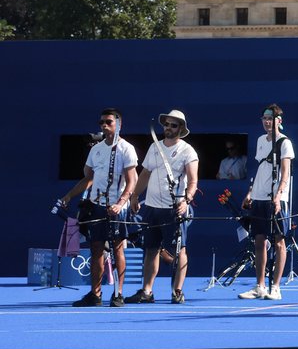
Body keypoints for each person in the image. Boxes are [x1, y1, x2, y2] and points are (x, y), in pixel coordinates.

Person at [57, 108, 140, 307]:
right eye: (101, 122)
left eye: (109, 122)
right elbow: (88, 178)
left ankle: (118, 294)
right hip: (96, 205)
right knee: (96, 249)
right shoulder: (96, 149)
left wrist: (121, 204)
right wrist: (69, 195)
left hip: (117, 208)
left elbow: (132, 181)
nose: (104, 125)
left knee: (118, 249)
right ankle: (95, 294)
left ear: (119, 124)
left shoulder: (126, 148)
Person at [130, 110, 199, 304]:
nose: (168, 128)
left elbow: (193, 181)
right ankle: (147, 291)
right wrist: (135, 195)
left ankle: (177, 291)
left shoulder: (188, 151)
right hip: (151, 207)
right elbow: (145, 174)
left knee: (179, 250)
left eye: (173, 125)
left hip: (173, 208)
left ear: (181, 129)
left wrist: (186, 200)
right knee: (151, 249)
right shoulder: (154, 147)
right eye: (166, 124)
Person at [239, 104, 294, 300]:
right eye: (264, 118)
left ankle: (276, 287)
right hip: (259, 198)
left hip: (277, 199)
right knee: (259, 241)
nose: (267, 122)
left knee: (279, 242)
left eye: (271, 118)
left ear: (279, 121)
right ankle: (260, 286)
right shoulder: (261, 140)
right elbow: (261, 168)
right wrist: (250, 192)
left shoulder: (285, 143)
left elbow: (285, 172)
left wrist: (278, 195)